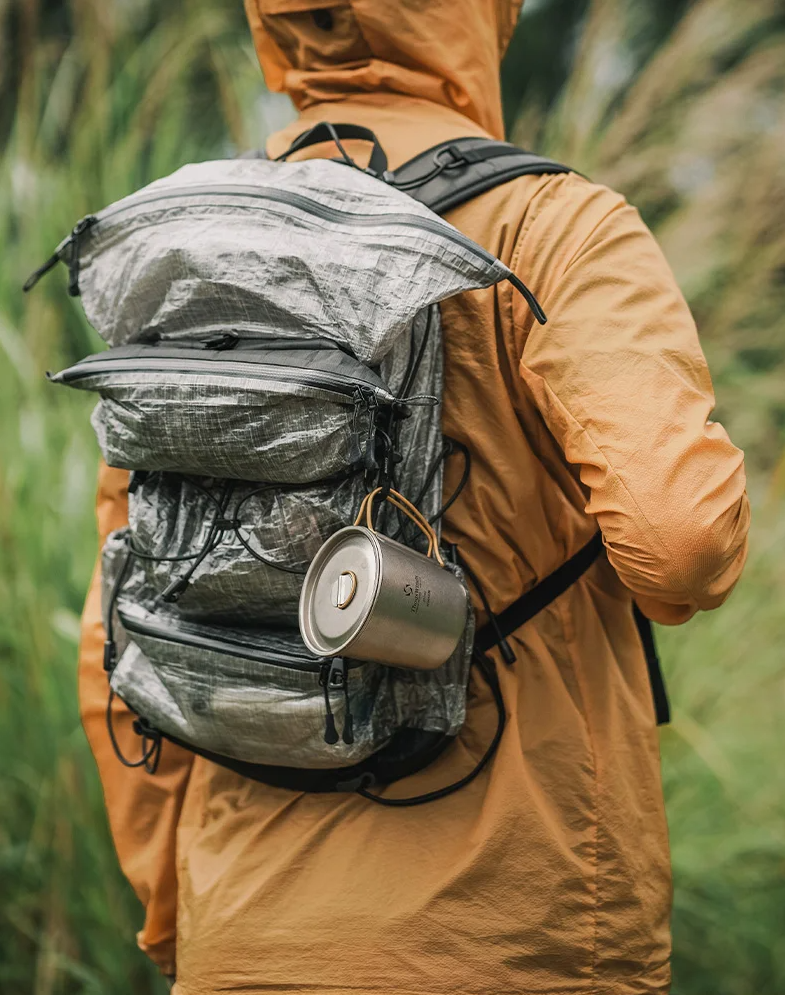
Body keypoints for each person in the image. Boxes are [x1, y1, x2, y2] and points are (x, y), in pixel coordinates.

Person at [78, 2, 750, 992]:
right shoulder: (553, 226)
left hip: (244, 927)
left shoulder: (184, 248)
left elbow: (119, 626)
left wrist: (181, 910)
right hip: (516, 934)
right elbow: (680, 544)